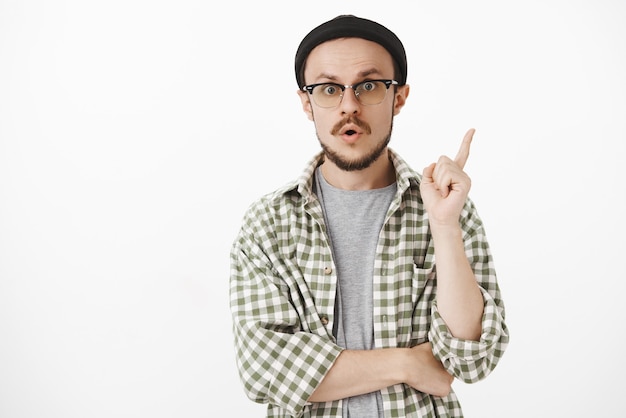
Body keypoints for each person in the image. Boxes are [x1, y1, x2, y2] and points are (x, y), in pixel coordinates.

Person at [229, 14, 509, 418]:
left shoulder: (446, 208)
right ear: (307, 103)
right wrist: (407, 363)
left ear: (399, 97)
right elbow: (265, 370)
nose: (349, 106)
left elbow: (471, 358)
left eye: (369, 86)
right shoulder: (268, 223)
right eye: (329, 89)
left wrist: (445, 226)